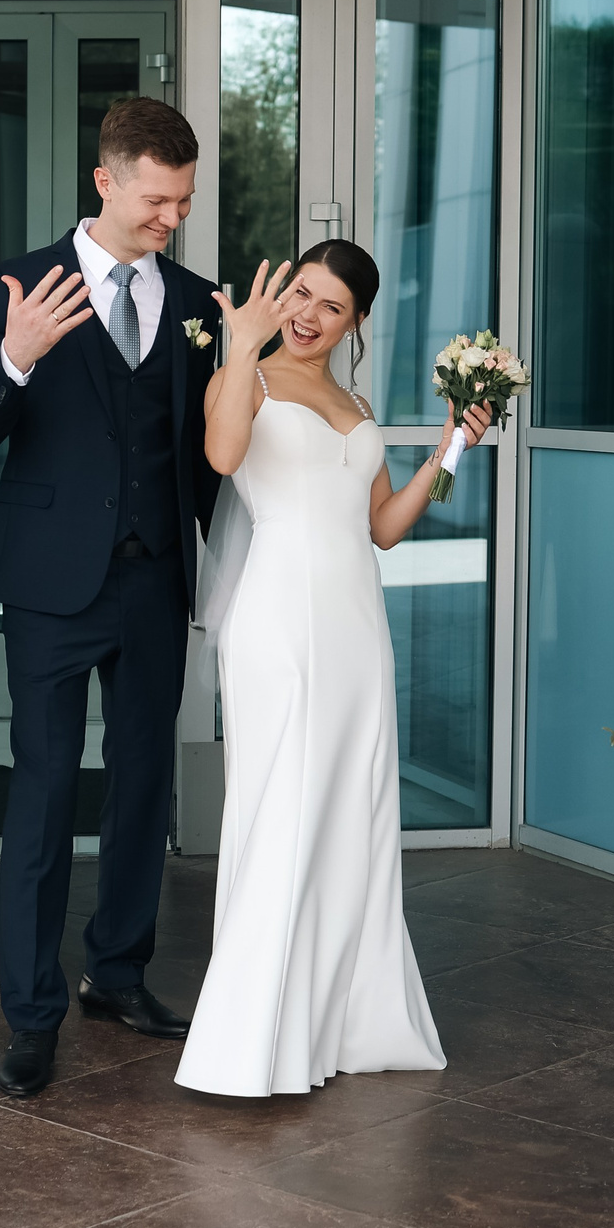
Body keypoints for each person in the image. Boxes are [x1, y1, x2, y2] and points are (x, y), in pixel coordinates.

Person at [0, 96, 222, 1097]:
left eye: (183, 202)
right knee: (47, 789)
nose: (170, 219)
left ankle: (118, 970)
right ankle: (30, 1012)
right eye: (156, 199)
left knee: (144, 786)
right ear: (104, 180)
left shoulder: (196, 300)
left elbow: (208, 451)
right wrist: (16, 356)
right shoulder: (21, 281)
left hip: (154, 580)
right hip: (52, 587)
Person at [172, 241, 491, 1097]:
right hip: (280, 620)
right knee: (284, 804)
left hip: (356, 626)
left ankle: (345, 1019)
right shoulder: (250, 375)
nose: (310, 315)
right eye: (302, 294)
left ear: (355, 324)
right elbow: (223, 456)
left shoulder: (352, 401)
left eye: (332, 308)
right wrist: (241, 348)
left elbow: (381, 527)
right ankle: (252, 1039)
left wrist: (452, 446)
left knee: (353, 809)